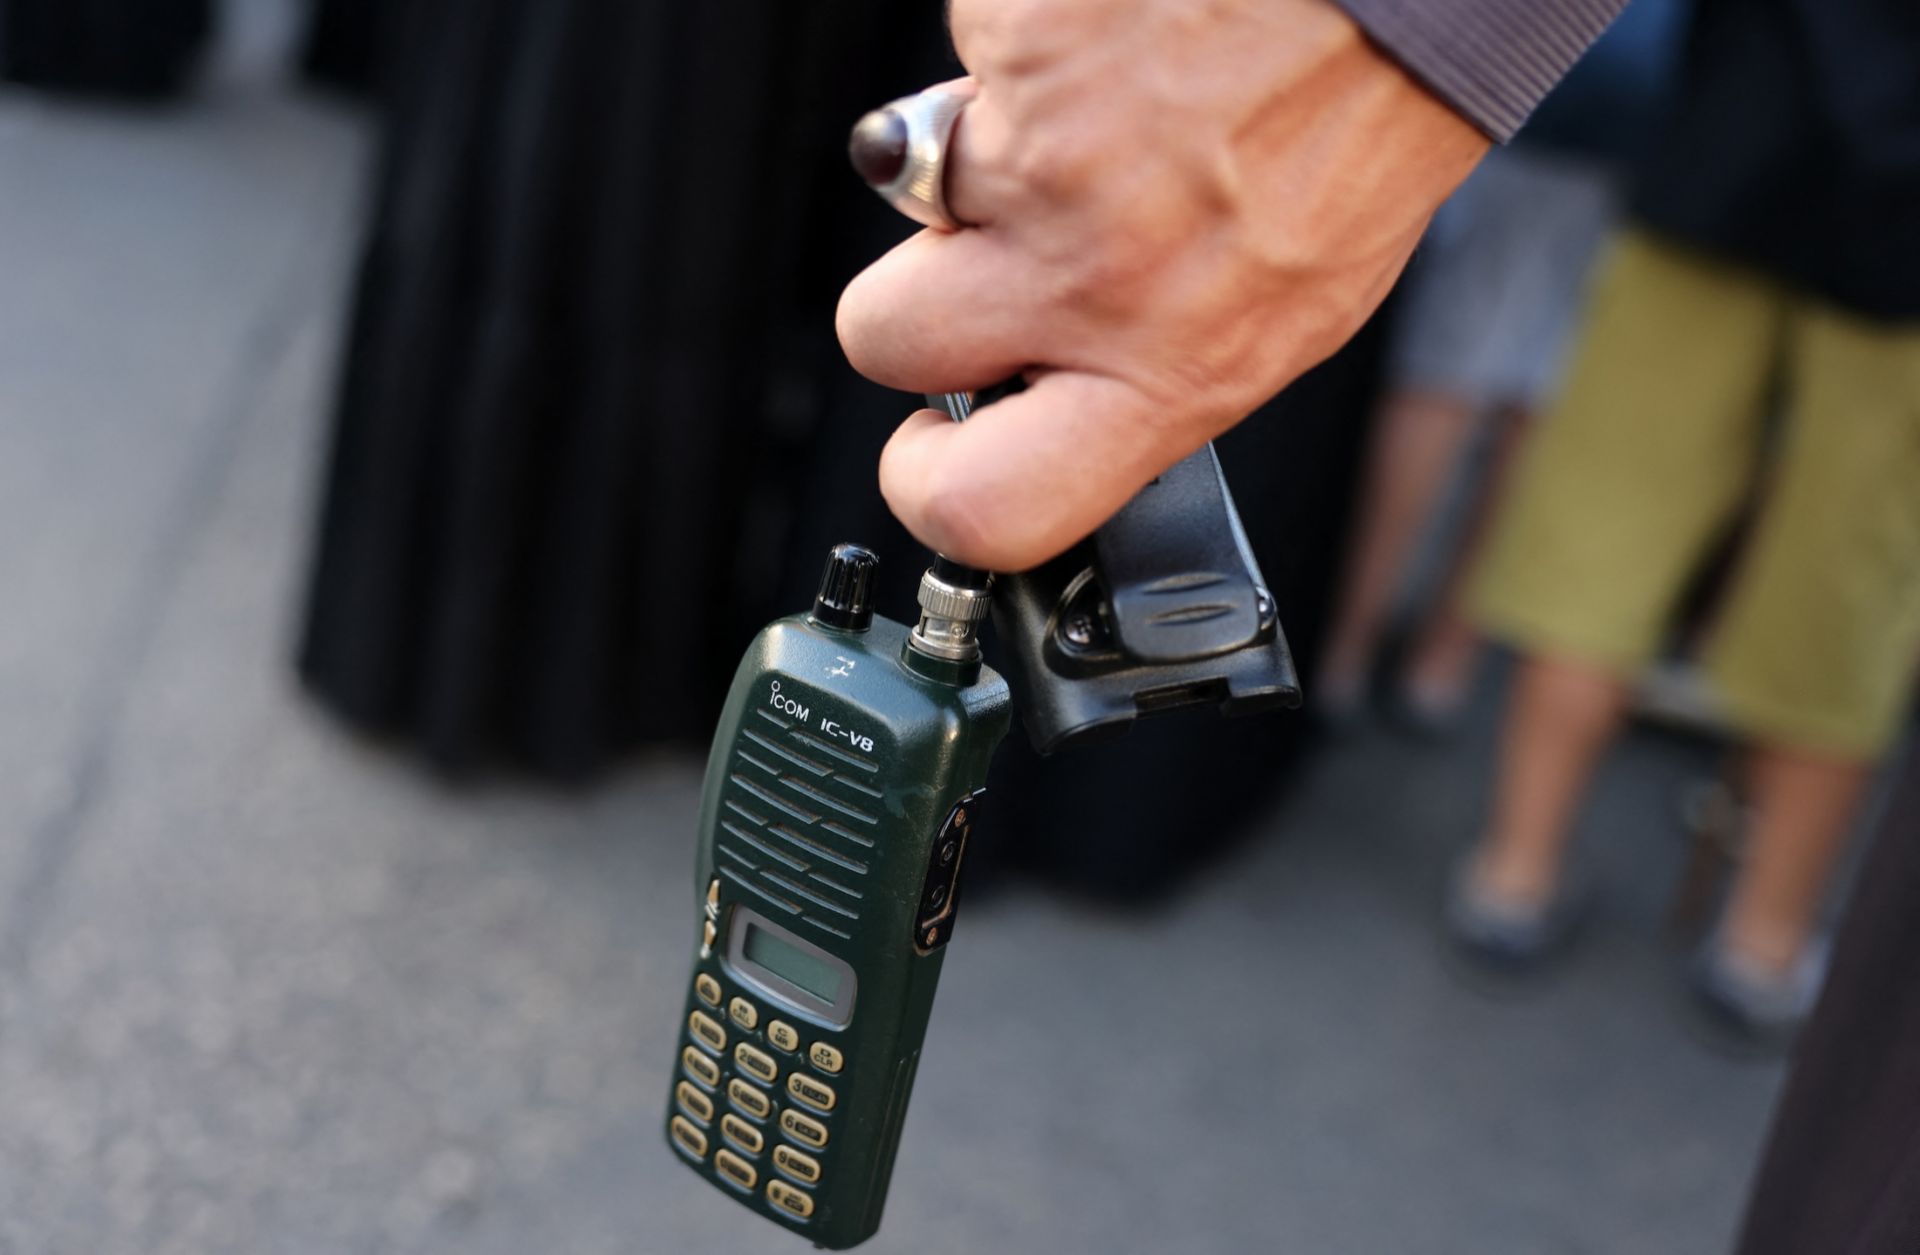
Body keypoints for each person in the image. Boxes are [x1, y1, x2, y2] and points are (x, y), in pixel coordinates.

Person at [1447, 0, 1920, 1048]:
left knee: (1606, 522)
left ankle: (1514, 875)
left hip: (1728, 145)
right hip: (1898, 230)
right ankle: (1765, 939)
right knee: (1852, 574)